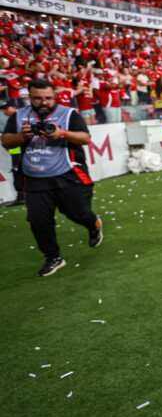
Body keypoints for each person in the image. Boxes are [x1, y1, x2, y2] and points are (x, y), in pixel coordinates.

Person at [1, 79, 102, 277]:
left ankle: (94, 224)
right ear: (29, 98)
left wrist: (61, 133)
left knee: (77, 213)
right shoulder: (20, 116)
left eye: (48, 98)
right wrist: (23, 136)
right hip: (35, 176)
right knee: (38, 221)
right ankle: (53, 257)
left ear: (54, 96)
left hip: (68, 174)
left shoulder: (68, 113)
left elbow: (86, 138)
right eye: (37, 99)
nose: (43, 102)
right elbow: (5, 141)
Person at [0, 99, 23, 205]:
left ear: (14, 108)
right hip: (16, 150)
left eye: (6, 109)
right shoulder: (16, 118)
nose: (4, 111)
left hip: (18, 150)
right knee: (17, 171)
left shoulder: (18, 118)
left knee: (18, 171)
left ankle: (21, 196)